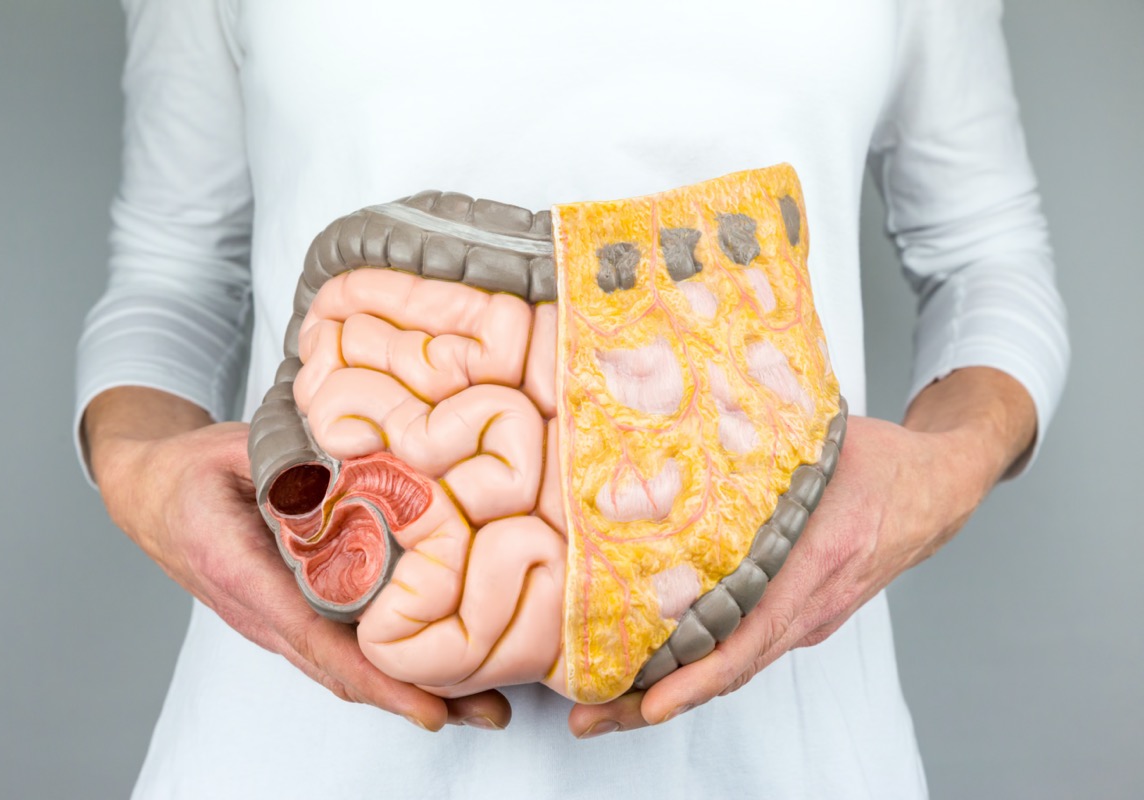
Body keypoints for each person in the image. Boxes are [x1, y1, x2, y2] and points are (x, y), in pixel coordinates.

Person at [75, 0, 1069, 796]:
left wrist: (945, 465)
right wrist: (137, 469)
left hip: (782, 754)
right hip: (301, 750)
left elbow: (989, 254)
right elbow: (172, 272)